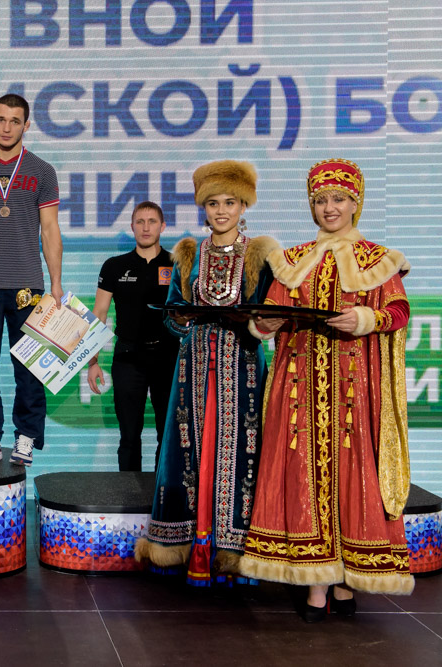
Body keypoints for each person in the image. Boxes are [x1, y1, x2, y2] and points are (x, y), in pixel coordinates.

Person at [239, 159, 414, 621]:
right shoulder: (293, 260)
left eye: (338, 199)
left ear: (356, 203)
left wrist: (365, 318)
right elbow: (271, 312)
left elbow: (398, 311)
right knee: (303, 477)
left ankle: (346, 579)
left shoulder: (378, 260)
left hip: (355, 395)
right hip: (298, 392)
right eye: (320, 201)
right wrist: (265, 323)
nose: (329, 208)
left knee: (355, 477)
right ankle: (317, 584)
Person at [134, 161, 278, 586]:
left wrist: (252, 323)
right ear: (203, 208)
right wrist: (183, 319)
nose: (221, 211)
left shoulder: (260, 255)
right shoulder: (188, 255)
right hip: (195, 365)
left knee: (243, 453)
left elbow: (270, 315)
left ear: (243, 206)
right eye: (213, 203)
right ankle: (186, 545)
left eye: (230, 203)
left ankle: (237, 553)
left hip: (243, 366)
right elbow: (173, 314)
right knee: (189, 449)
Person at [0, 94, 62, 467]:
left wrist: (55, 283)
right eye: (1, 119)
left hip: (27, 285)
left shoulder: (42, 171)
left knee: (30, 366)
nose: (7, 127)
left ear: (26, 125)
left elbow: (49, 230)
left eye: (15, 121)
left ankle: (27, 435)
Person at [87, 201, 178, 471]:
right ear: (132, 227)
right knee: (128, 437)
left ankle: (161, 494)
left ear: (163, 226)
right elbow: (99, 314)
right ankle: (128, 494)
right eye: (140, 222)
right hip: (128, 358)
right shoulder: (114, 266)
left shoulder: (177, 265)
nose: (146, 227)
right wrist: (92, 362)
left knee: (167, 436)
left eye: (152, 221)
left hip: (167, 359)